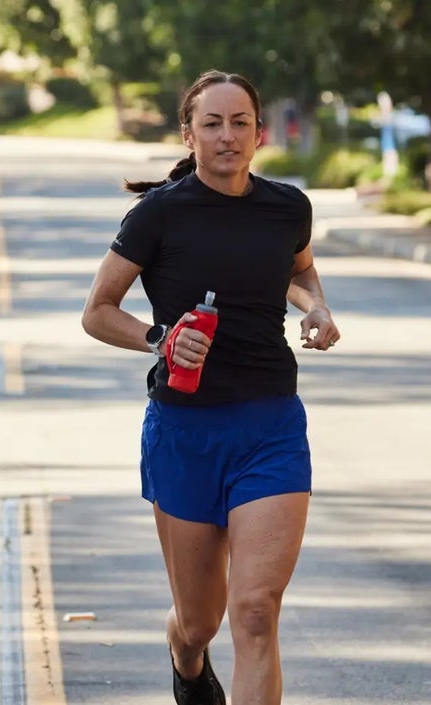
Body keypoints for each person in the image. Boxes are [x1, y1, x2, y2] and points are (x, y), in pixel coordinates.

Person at [79, 70, 341, 705]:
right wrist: (158, 340)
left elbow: (300, 271)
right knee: (201, 621)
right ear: (189, 133)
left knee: (256, 612)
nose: (228, 136)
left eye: (240, 123)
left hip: (270, 426)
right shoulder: (157, 215)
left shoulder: (287, 207)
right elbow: (98, 312)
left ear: (259, 132)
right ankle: (187, 661)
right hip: (186, 430)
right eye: (213, 123)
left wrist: (316, 308)